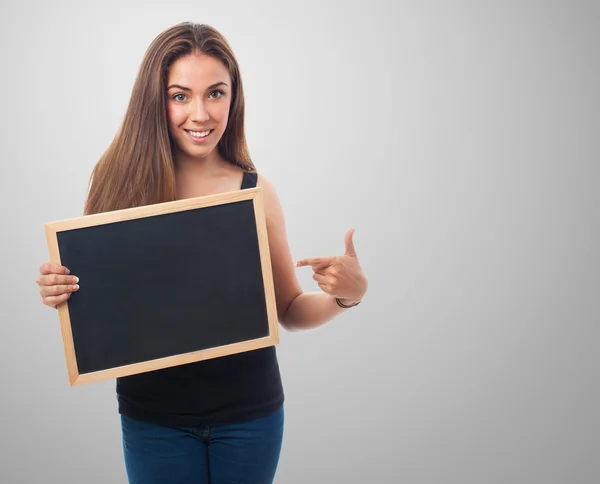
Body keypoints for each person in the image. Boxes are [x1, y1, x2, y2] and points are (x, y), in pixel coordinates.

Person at [35, 22, 368, 484]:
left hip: (250, 417)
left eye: (215, 93)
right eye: (180, 96)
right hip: (153, 419)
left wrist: (344, 297)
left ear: (234, 97)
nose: (200, 113)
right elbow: (97, 301)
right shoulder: (118, 186)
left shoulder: (255, 190)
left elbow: (289, 309)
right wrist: (60, 289)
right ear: (157, 100)